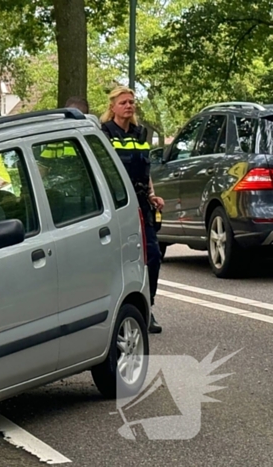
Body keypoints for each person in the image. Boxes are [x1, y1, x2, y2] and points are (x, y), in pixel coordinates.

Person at [100, 86, 164, 334]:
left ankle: (148, 307)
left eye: (131, 102)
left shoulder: (140, 135)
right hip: (117, 206)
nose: (129, 106)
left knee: (153, 256)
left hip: (141, 204)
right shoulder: (105, 134)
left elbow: (145, 171)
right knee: (120, 259)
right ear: (113, 107)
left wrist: (152, 195)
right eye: (123, 102)